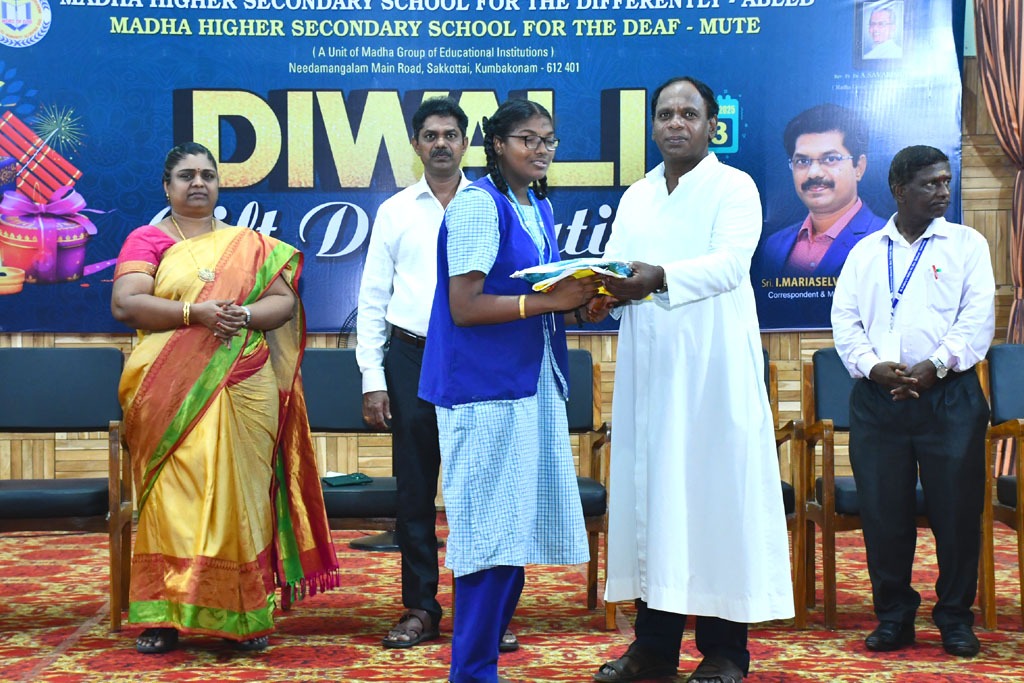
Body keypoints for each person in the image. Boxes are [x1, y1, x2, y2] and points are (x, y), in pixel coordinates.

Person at [591, 77, 794, 683]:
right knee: (654, 501)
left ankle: (726, 651)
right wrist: (604, 295)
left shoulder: (735, 187)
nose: (675, 123)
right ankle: (654, 649)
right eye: (665, 114)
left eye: (688, 113)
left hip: (713, 372)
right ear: (652, 126)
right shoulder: (638, 195)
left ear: (712, 126)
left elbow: (729, 264)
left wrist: (655, 278)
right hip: (649, 375)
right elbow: (617, 268)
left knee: (714, 503)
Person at [111, 142, 339, 654]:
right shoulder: (149, 239)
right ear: (166, 186)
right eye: (186, 175)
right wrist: (195, 314)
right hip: (168, 389)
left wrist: (244, 315)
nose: (198, 183)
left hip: (244, 383)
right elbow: (126, 303)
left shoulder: (250, 244)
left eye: (208, 175)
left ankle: (243, 612)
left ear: (218, 185)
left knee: (243, 498)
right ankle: (163, 615)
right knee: (172, 498)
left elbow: (282, 302)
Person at [419, 99, 598, 683]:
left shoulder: (535, 204)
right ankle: (471, 672)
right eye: (527, 139)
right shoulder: (478, 204)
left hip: (531, 384)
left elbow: (536, 293)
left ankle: (483, 663)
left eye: (549, 140)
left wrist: (580, 303)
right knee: (488, 537)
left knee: (513, 532)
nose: (541, 150)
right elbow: (465, 306)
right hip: (484, 390)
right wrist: (551, 302)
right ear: (497, 144)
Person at [356, 97, 519, 653]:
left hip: (478, 357)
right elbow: (373, 298)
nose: (442, 143)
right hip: (412, 357)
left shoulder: (493, 203)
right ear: (416, 144)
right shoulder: (395, 210)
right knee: (416, 490)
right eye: (431, 135)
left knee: (481, 490)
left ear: (467, 143)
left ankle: (484, 613)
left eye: (451, 134)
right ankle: (421, 608)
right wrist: (372, 378)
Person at [831, 145, 994, 658]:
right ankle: (894, 618)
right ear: (900, 190)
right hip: (878, 400)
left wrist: (935, 365)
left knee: (957, 515)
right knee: (884, 516)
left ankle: (955, 618)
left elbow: (977, 319)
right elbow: (845, 321)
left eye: (946, 181)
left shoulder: (966, 245)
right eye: (930, 183)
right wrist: (873, 367)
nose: (943, 191)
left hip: (950, 397)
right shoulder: (864, 252)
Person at [757, 103, 886, 278]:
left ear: (859, 167)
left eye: (830, 159)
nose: (814, 173)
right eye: (802, 161)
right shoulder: (773, 246)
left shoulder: (885, 240)